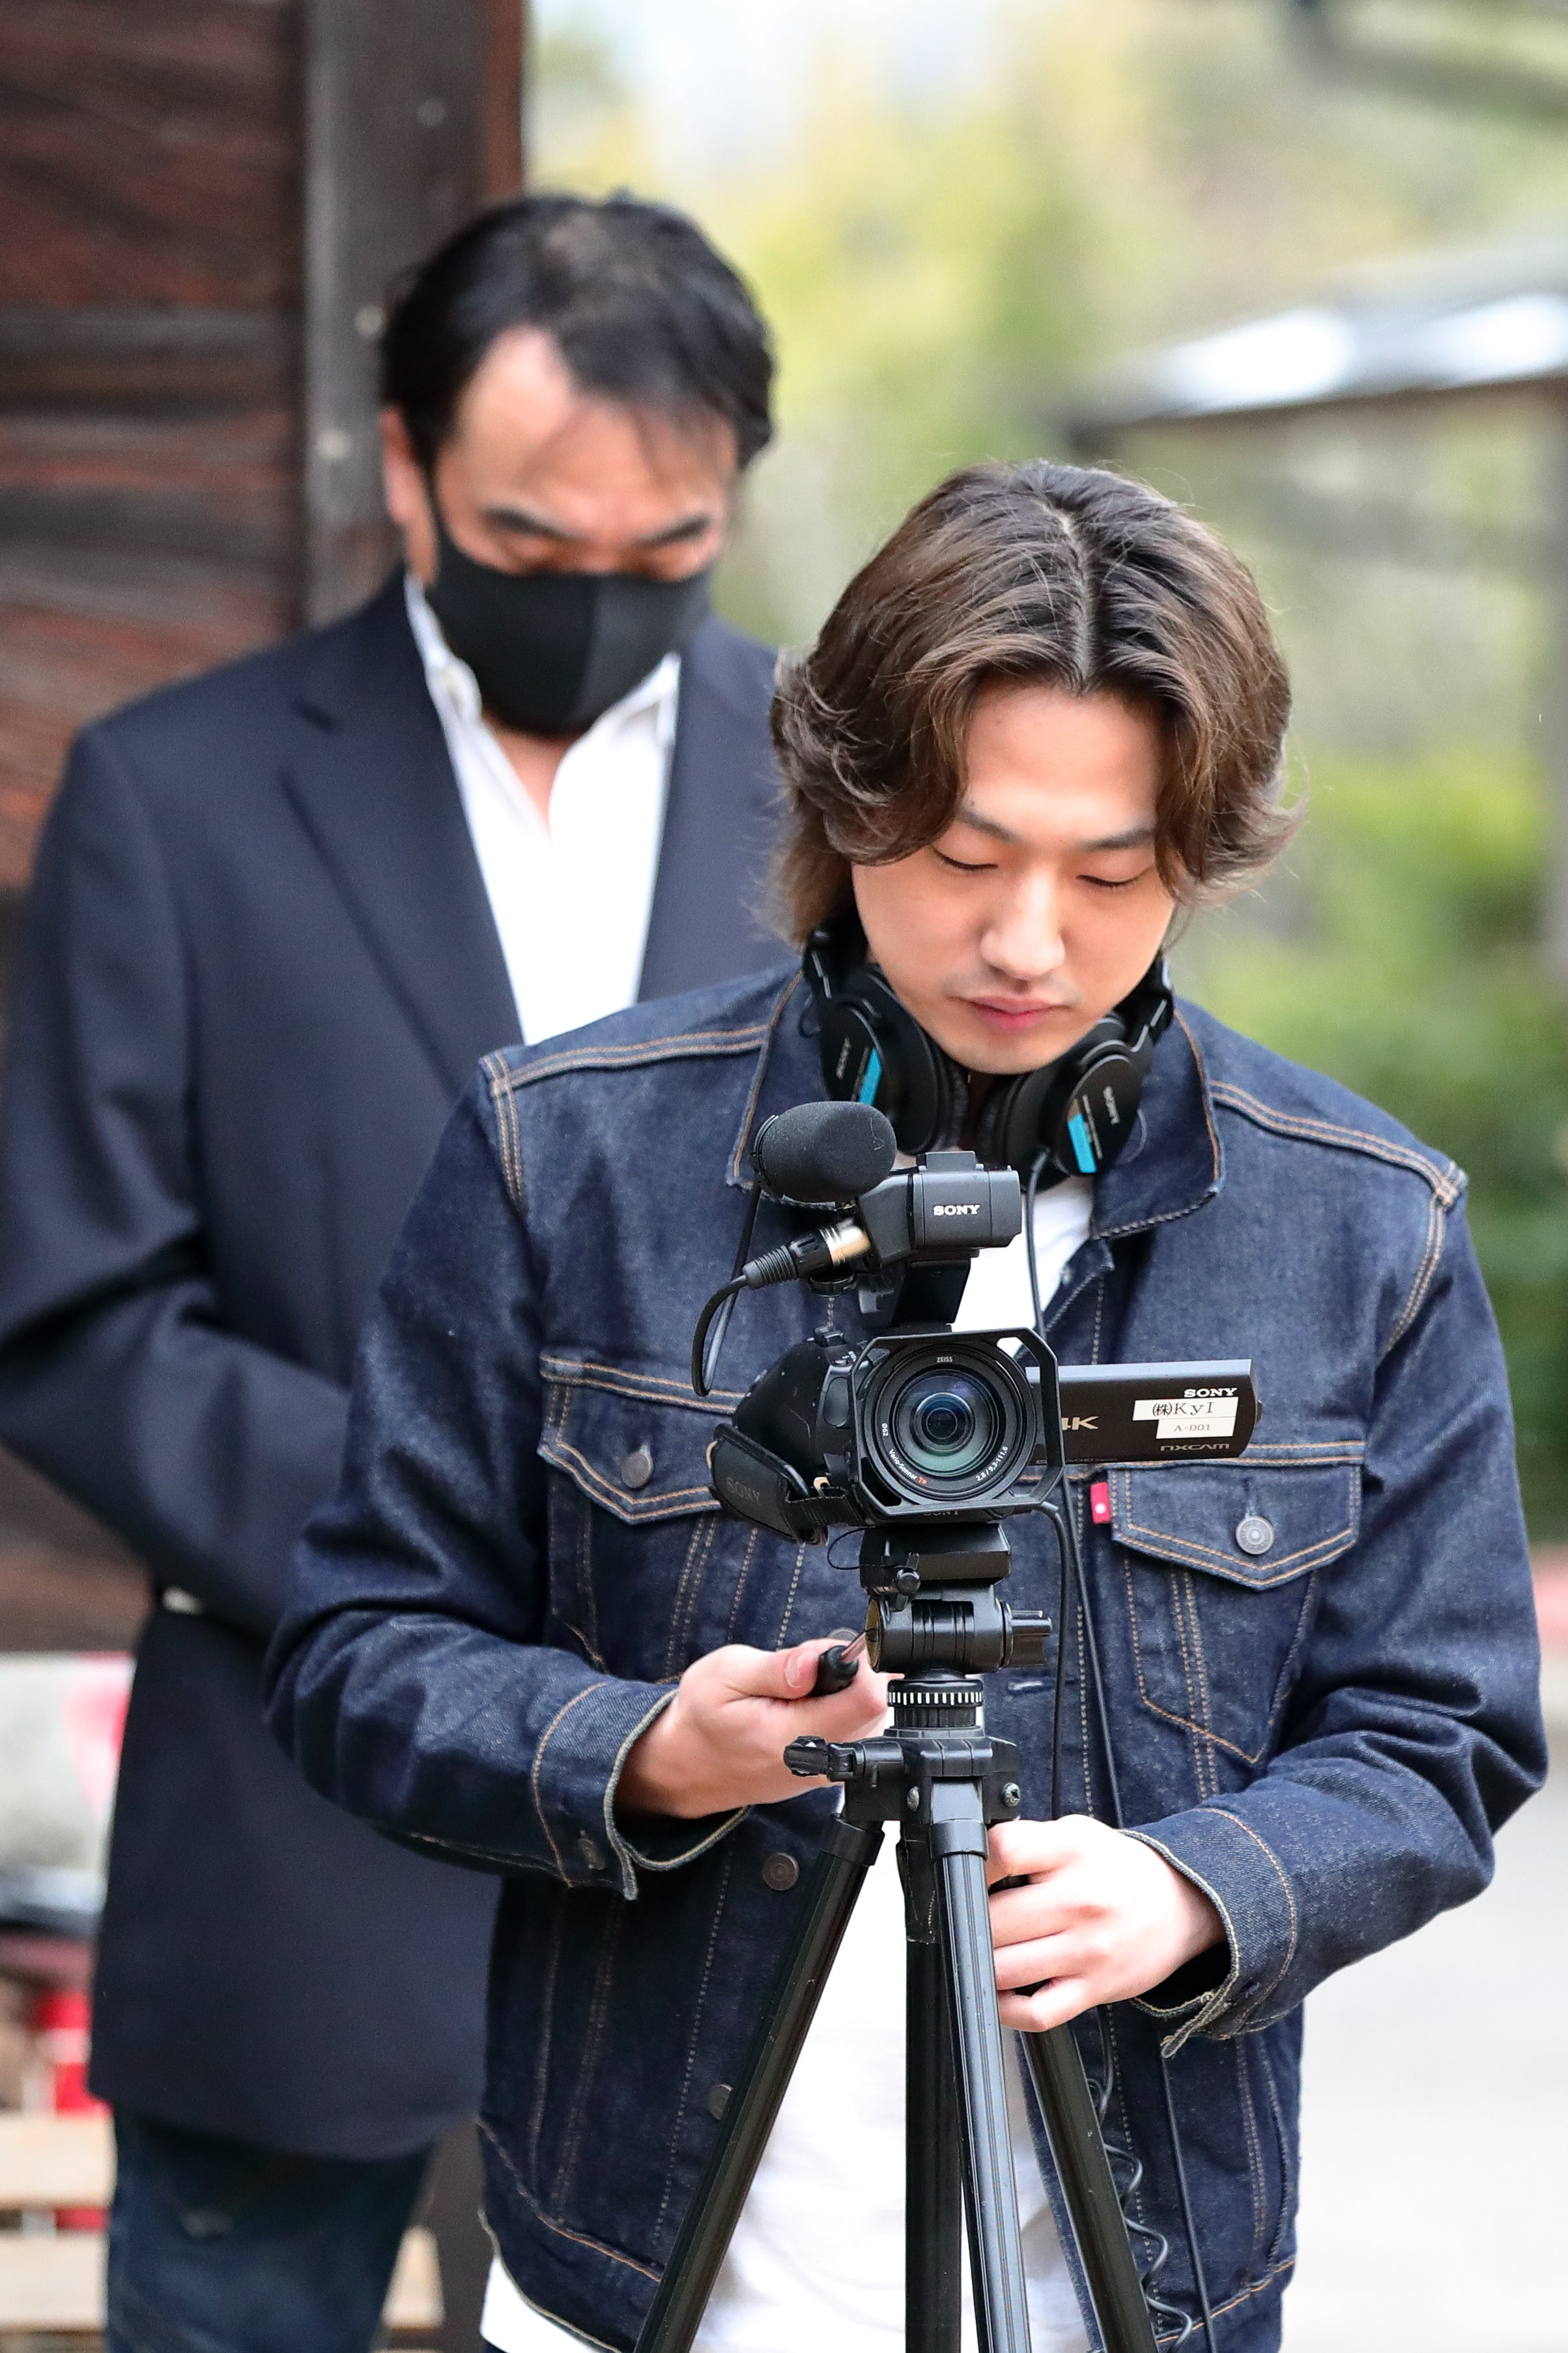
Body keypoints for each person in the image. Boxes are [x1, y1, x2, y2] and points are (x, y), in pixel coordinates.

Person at [264, 459, 1547, 2353]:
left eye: (1110, 874)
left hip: (1137, 2286)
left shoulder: (1367, 1224)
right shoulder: (566, 1152)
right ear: (846, 803)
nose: (1029, 939)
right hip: (644, 2272)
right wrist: (648, 1750)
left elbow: (1443, 1732)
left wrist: (1200, 1889)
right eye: (963, 855)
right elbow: (358, 1654)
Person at [0, 191, 784, 2353]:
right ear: (406, 465)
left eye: (666, 548)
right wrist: (451, 1532)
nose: (597, 596)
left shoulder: (853, 794)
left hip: (748, 1845)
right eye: (535, 542)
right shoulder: (176, 795)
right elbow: (74, 1314)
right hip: (301, 1827)